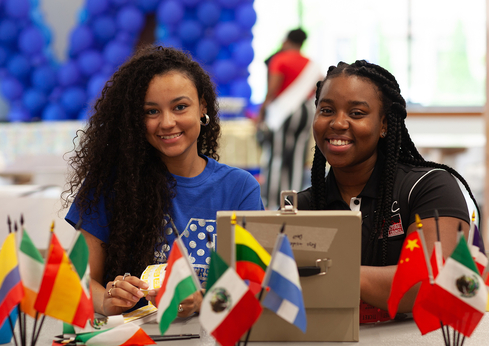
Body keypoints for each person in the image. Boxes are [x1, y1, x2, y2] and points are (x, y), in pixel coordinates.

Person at [63, 45, 264, 317]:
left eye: (180, 107)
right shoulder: (109, 185)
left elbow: (254, 285)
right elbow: (79, 281)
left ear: (202, 107)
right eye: (151, 111)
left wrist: (204, 300)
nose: (167, 122)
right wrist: (107, 300)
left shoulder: (239, 188)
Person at [297, 60, 479, 316]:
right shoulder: (302, 207)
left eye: (356, 113)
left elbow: (433, 281)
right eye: (326, 110)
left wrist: (329, 271)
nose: (338, 123)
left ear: (383, 125)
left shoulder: (428, 187)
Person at [257, 28, 322, 209]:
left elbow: (272, 90)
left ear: (286, 40)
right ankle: (293, 204)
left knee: (277, 156)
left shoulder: (280, 59)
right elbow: (321, 87)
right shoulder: (311, 63)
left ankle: (272, 204)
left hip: (283, 113)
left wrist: (261, 112)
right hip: (305, 112)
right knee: (297, 157)